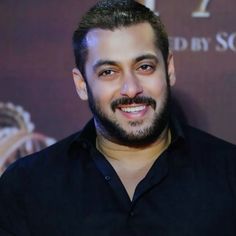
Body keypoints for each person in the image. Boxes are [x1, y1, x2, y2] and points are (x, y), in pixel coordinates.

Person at [0, 0, 235, 235]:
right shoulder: (28, 184)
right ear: (82, 84)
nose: (131, 89)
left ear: (169, 69)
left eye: (144, 67)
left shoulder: (228, 173)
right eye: (108, 72)